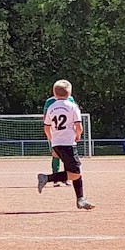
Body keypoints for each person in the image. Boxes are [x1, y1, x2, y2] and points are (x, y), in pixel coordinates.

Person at [36, 80, 95, 210]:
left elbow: (46, 128)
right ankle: (46, 178)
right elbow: (79, 126)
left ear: (54, 93)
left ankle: (81, 199)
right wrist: (78, 135)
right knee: (76, 173)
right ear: (70, 93)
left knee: (74, 171)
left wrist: (52, 141)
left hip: (57, 143)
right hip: (68, 143)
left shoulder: (51, 107)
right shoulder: (72, 106)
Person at [44, 88, 76, 187]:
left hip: (68, 133)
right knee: (55, 155)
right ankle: (55, 178)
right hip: (55, 132)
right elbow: (46, 118)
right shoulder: (49, 101)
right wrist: (50, 135)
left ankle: (65, 178)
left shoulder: (70, 99)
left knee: (68, 157)